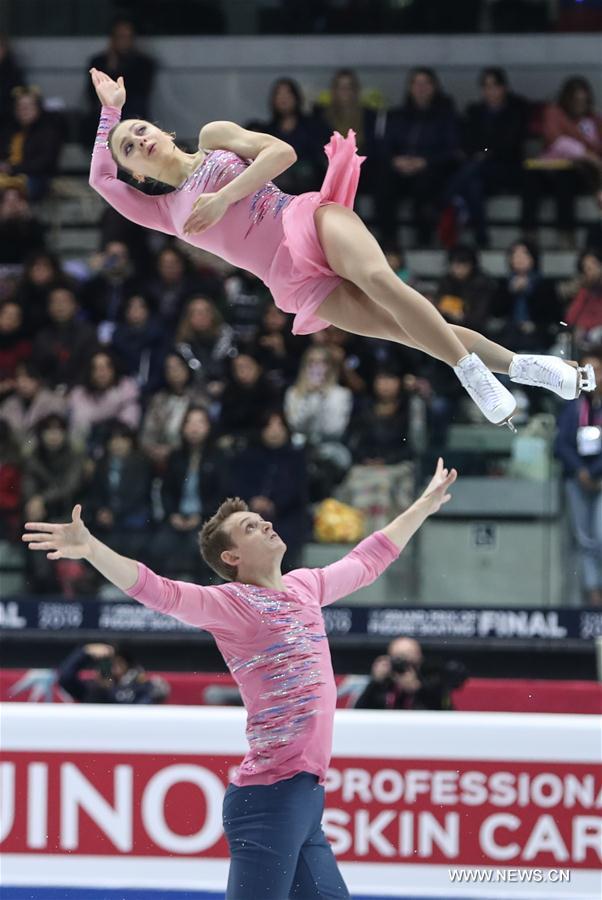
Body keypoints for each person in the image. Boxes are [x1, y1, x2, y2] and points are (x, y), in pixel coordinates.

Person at [23, 456, 457, 899]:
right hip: (269, 799)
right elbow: (159, 590)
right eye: (251, 527)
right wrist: (93, 549)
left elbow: (368, 559)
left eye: (262, 520)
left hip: (304, 797)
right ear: (231, 557)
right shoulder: (230, 605)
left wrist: (422, 505)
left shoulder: (306, 585)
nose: (266, 525)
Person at [88, 68, 596, 430]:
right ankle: (528, 368)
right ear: (135, 172)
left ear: (160, 129)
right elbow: (98, 177)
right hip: (288, 276)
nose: (139, 140)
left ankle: (471, 375)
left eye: (139, 129)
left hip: (305, 218)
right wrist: (109, 114)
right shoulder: (161, 212)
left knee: (383, 283)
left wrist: (223, 196)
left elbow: (282, 152)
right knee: (406, 333)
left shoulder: (214, 136)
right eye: (129, 147)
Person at [377, 67, 461, 246]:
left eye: (426, 83)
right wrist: (395, 160)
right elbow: (385, 146)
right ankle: (388, 240)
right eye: (416, 83)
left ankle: (423, 240)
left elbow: (451, 150)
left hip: (431, 169)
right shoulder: (397, 115)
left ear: (435, 87)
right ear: (410, 87)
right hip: (399, 169)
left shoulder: (445, 116)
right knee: (383, 182)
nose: (421, 88)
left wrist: (425, 162)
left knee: (426, 187)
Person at [446, 67, 528, 248]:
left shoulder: (517, 110)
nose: (490, 91)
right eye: (486, 86)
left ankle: (444, 199)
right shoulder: (475, 111)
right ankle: (481, 236)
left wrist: (485, 151)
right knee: (474, 184)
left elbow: (510, 144)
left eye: (495, 86)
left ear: (504, 88)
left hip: (507, 168)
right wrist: (482, 151)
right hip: (480, 170)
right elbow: (468, 141)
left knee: (473, 169)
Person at [151, 406, 223, 578]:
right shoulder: (175, 457)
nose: (194, 427)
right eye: (189, 422)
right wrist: (172, 514)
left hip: (208, 519)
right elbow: (165, 491)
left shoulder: (219, 456)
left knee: (199, 546)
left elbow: (222, 494)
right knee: (157, 546)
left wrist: (202, 515)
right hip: (177, 518)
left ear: (209, 427)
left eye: (200, 422)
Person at [554, 347, 602, 606]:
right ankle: (594, 594)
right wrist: (581, 471)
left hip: (600, 479)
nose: (593, 376)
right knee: (585, 539)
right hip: (577, 480)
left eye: (598, 370)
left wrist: (594, 472)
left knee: (601, 535)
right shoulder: (573, 407)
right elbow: (561, 444)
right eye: (587, 371)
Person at [354, 636, 468, 711]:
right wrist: (375, 682)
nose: (402, 664)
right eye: (397, 658)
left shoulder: (432, 679)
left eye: (407, 657)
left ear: (419, 658)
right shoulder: (382, 685)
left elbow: (446, 712)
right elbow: (358, 713)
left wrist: (418, 689)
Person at [140, 350, 208, 467]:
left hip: (189, 455)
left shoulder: (199, 398)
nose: (174, 371)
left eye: (178, 366)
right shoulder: (158, 399)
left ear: (187, 368)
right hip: (156, 458)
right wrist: (154, 450)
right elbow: (147, 433)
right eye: (170, 368)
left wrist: (172, 451)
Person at [0, 86, 63, 202]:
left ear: (38, 108)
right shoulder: (8, 130)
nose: (23, 111)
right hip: (7, 176)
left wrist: (13, 169)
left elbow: (45, 162)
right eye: (20, 107)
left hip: (36, 177)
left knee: (13, 192)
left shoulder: (48, 131)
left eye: (28, 107)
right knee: (9, 191)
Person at [57, 642, 168, 704]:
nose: (111, 667)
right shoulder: (91, 689)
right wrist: (84, 652)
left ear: (126, 664)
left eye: (116, 662)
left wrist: (112, 689)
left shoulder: (142, 687)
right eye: (106, 663)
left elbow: (146, 706)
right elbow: (65, 678)